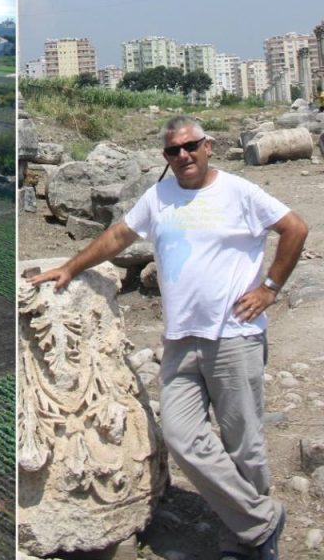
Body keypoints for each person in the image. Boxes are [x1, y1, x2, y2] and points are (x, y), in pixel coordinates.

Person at [29, 115, 308, 560]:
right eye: (173, 151)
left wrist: (269, 289)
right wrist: (70, 266)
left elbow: (295, 228)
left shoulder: (238, 192)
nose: (182, 156)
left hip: (234, 336)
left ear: (208, 146)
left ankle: (243, 541)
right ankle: (261, 521)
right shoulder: (159, 196)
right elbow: (120, 235)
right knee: (181, 437)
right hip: (181, 339)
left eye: (190, 146)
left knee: (245, 445)